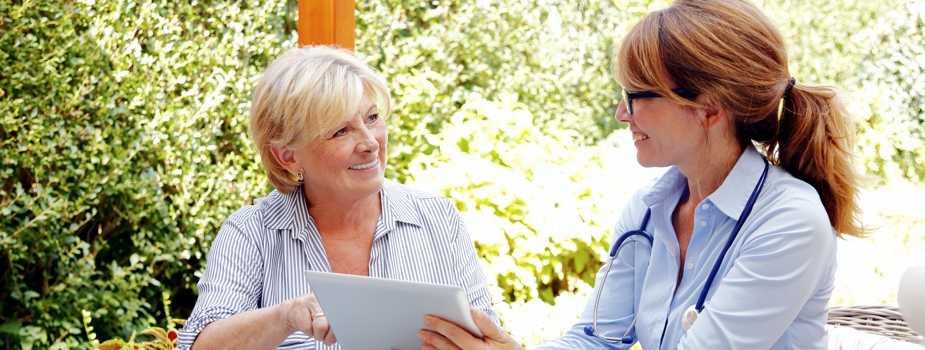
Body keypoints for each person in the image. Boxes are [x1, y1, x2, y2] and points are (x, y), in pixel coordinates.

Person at [419, 0, 863, 349]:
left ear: (708, 108)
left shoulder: (789, 221)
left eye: (635, 95)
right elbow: (597, 338)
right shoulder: (650, 209)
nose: (621, 113)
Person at [177, 46, 496, 349]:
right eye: (340, 131)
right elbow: (199, 346)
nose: (370, 143)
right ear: (288, 156)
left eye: (372, 118)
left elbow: (488, 340)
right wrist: (286, 317)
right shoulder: (251, 233)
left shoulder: (438, 218)